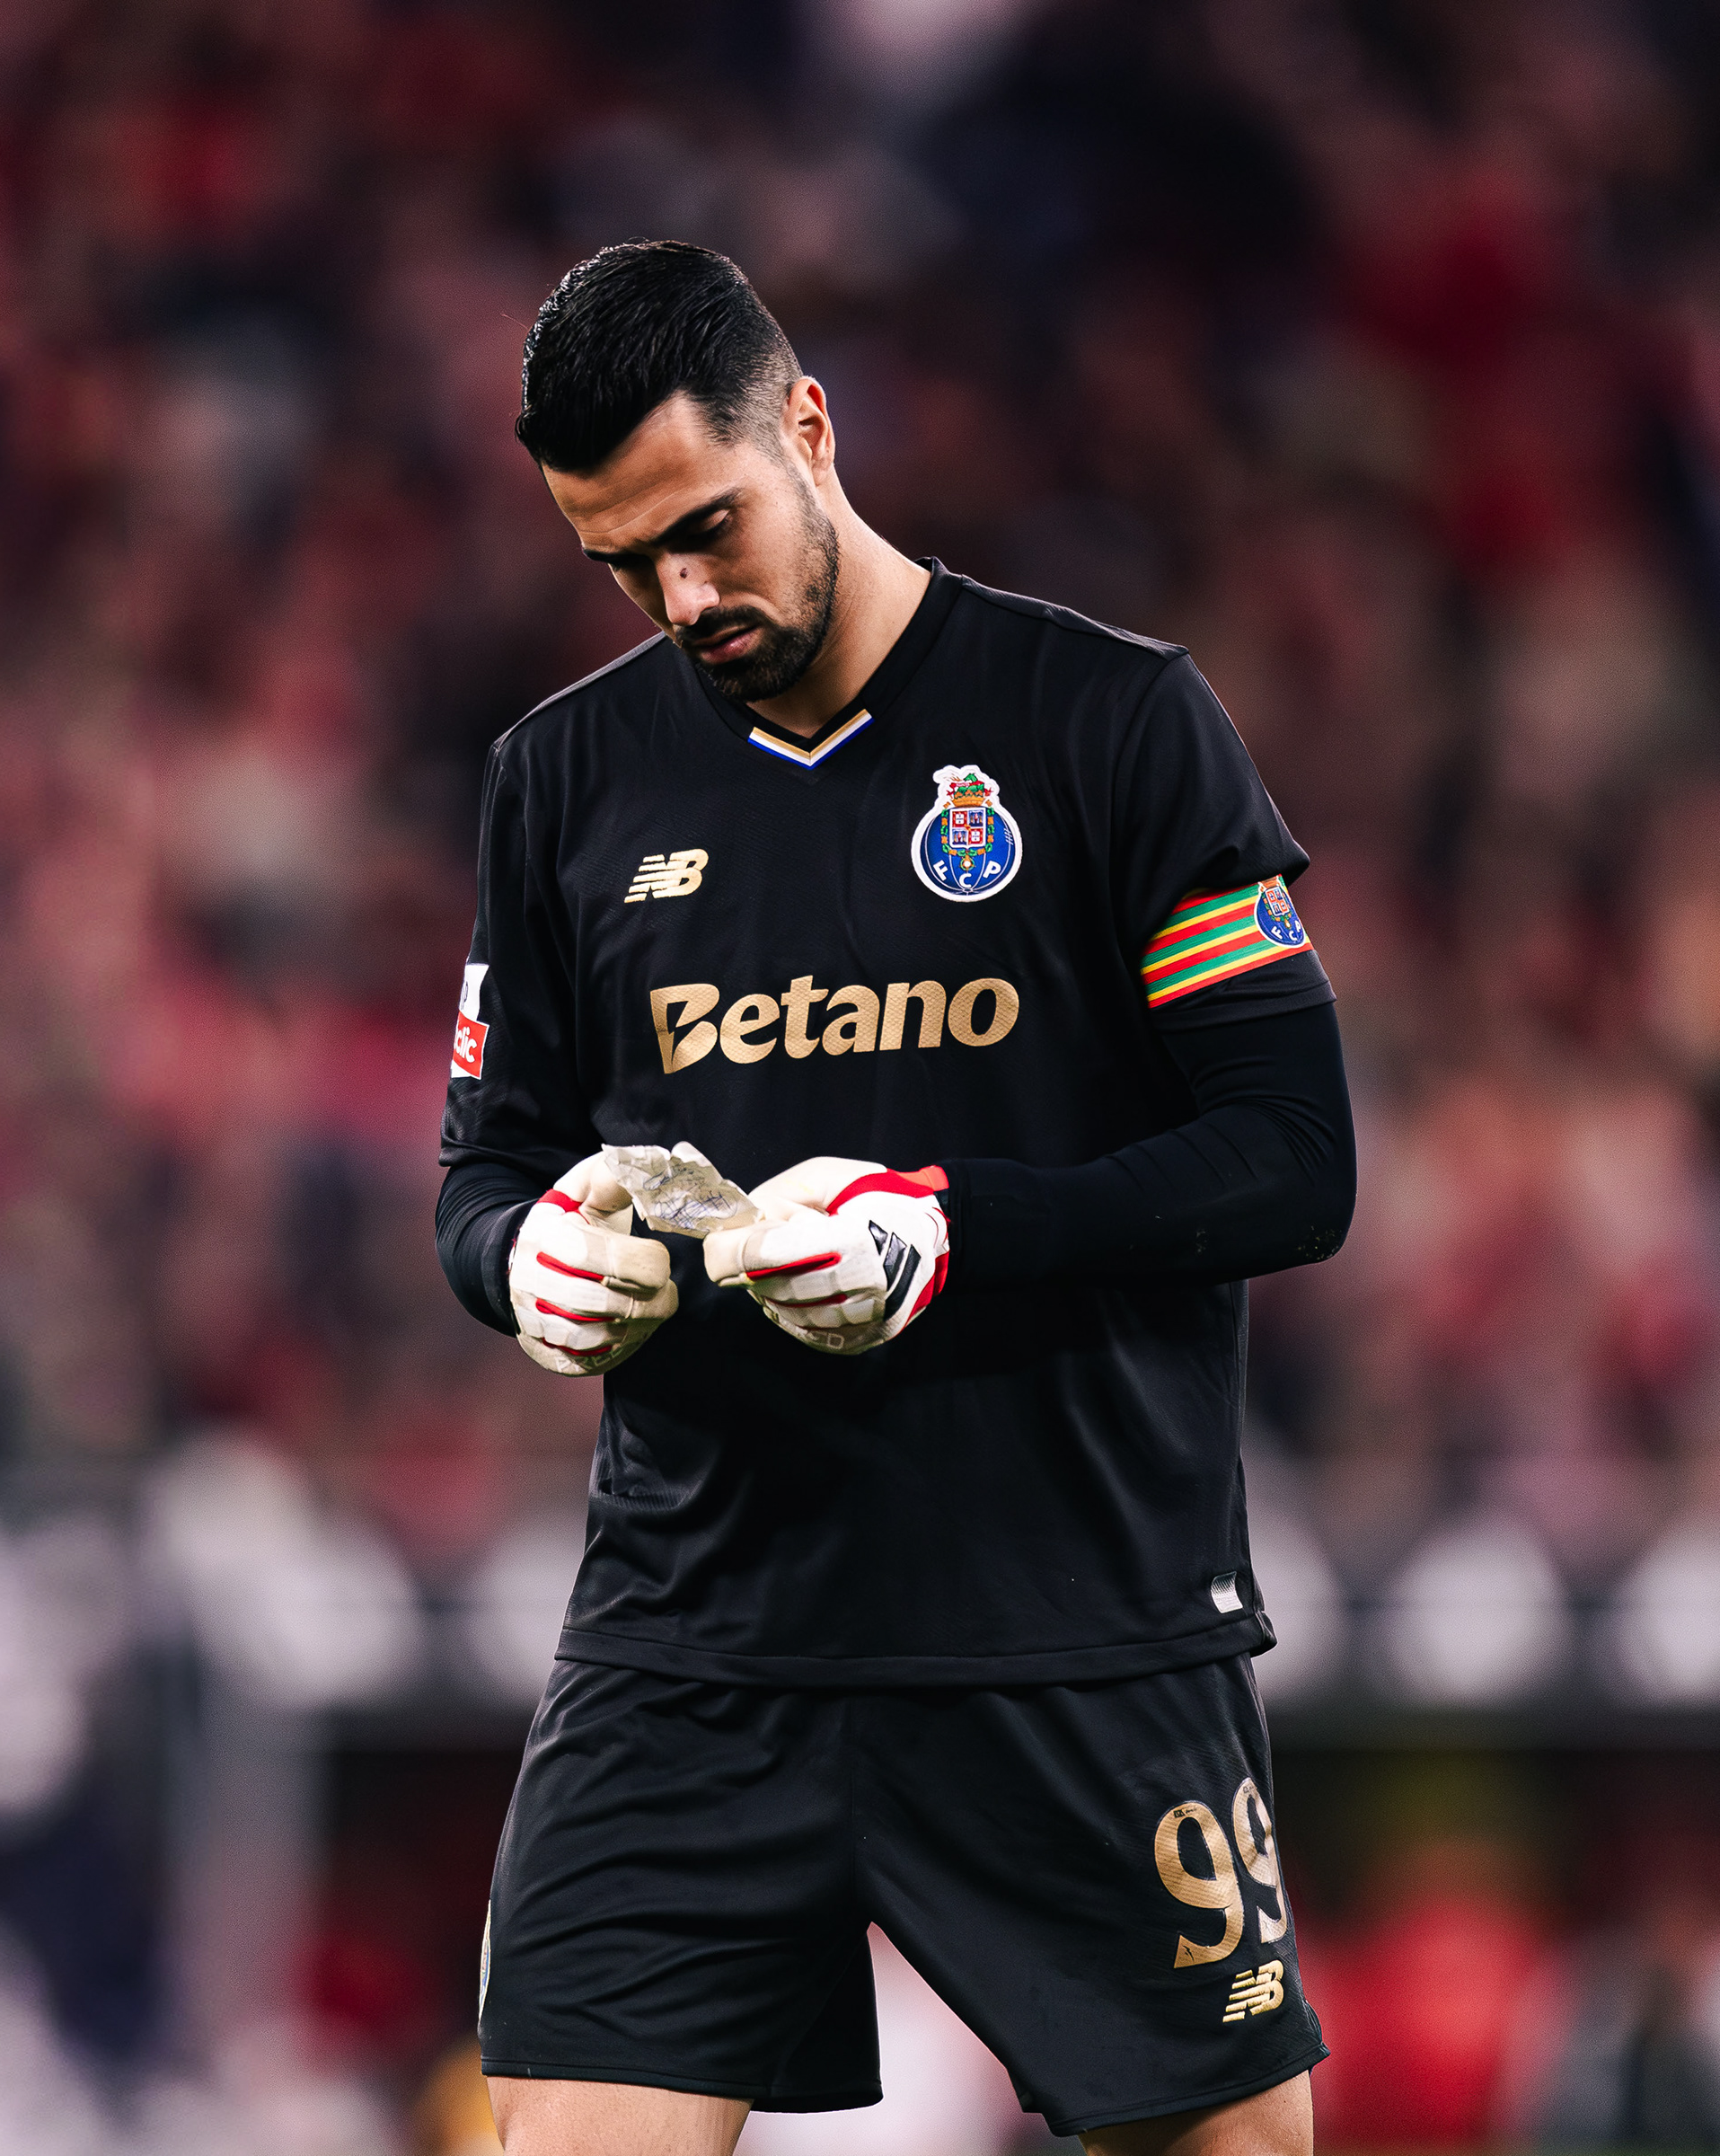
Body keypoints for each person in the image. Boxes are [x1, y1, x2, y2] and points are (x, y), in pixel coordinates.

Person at [437, 240, 1354, 2156]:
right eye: (622, 564)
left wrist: (947, 1230)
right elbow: (488, 1169)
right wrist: (525, 1262)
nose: (684, 599)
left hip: (1071, 1632)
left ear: (809, 426)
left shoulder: (1110, 725)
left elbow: (1292, 1154)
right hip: (696, 1643)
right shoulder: (563, 780)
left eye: (706, 528)